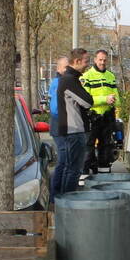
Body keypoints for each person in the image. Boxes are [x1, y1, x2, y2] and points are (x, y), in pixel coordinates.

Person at [55, 48, 93, 196]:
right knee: (73, 170)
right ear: (77, 61)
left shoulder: (68, 78)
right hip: (74, 131)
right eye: (86, 61)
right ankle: (68, 203)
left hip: (71, 130)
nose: (87, 65)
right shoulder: (70, 79)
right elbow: (88, 101)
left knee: (68, 168)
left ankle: (62, 201)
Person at [80, 49, 118, 174]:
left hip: (107, 117)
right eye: (100, 60)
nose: (102, 62)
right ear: (95, 60)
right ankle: (85, 174)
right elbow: (85, 99)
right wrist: (104, 99)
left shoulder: (110, 76)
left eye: (104, 60)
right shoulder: (86, 76)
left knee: (106, 145)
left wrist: (115, 101)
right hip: (92, 117)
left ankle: (104, 172)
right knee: (89, 146)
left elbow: (117, 97)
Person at [48, 56, 69, 202]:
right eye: (66, 67)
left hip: (63, 126)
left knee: (66, 159)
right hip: (59, 125)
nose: (68, 70)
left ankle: (60, 193)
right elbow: (55, 109)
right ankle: (55, 195)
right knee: (63, 160)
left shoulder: (62, 81)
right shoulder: (58, 83)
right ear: (59, 69)